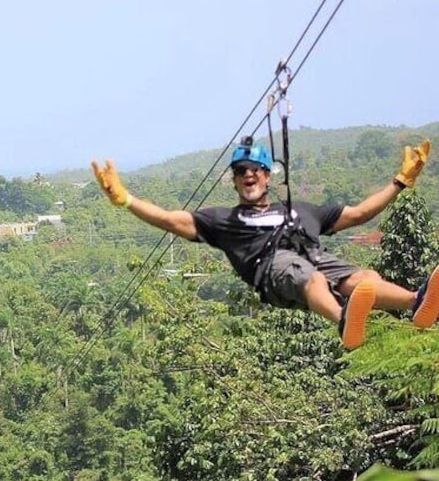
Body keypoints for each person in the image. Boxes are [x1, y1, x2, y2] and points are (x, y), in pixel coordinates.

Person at [92, 138, 439, 350]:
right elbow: (171, 219)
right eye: (241, 170)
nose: (248, 175)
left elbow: (361, 213)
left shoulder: (302, 211)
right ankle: (343, 322)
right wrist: (125, 199)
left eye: (255, 169)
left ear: (267, 175)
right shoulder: (225, 220)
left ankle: (415, 303)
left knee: (364, 279)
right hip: (273, 269)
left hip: (311, 257)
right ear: (234, 180)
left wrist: (401, 181)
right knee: (311, 277)